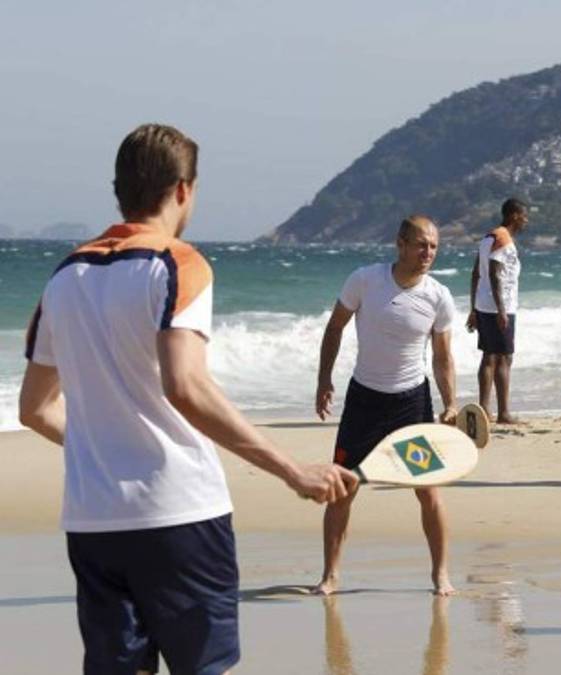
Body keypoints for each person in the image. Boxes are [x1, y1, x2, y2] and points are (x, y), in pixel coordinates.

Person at [18, 123, 355, 675]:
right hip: (178, 517)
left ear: (120, 188)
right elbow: (186, 386)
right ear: (182, 190)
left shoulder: (64, 276)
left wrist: (103, 443)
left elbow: (33, 408)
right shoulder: (179, 263)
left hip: (94, 521)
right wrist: (293, 470)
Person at [315, 215, 459, 597]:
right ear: (401, 243)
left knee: (427, 491)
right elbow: (335, 327)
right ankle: (330, 575)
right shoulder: (365, 279)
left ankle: (440, 575)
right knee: (344, 488)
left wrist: (450, 403)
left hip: (411, 405)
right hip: (364, 401)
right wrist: (323, 380)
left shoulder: (438, 296)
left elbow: (443, 358)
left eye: (433, 246)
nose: (428, 252)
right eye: (421, 244)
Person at [466, 198, 529, 424]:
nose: (526, 221)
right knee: (503, 358)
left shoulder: (488, 238)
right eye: (524, 216)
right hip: (499, 306)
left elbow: (475, 273)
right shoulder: (503, 239)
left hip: (485, 305)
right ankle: (503, 413)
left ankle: (484, 410)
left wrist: (473, 308)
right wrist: (502, 310)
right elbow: (493, 274)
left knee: (489, 356)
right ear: (513, 215)